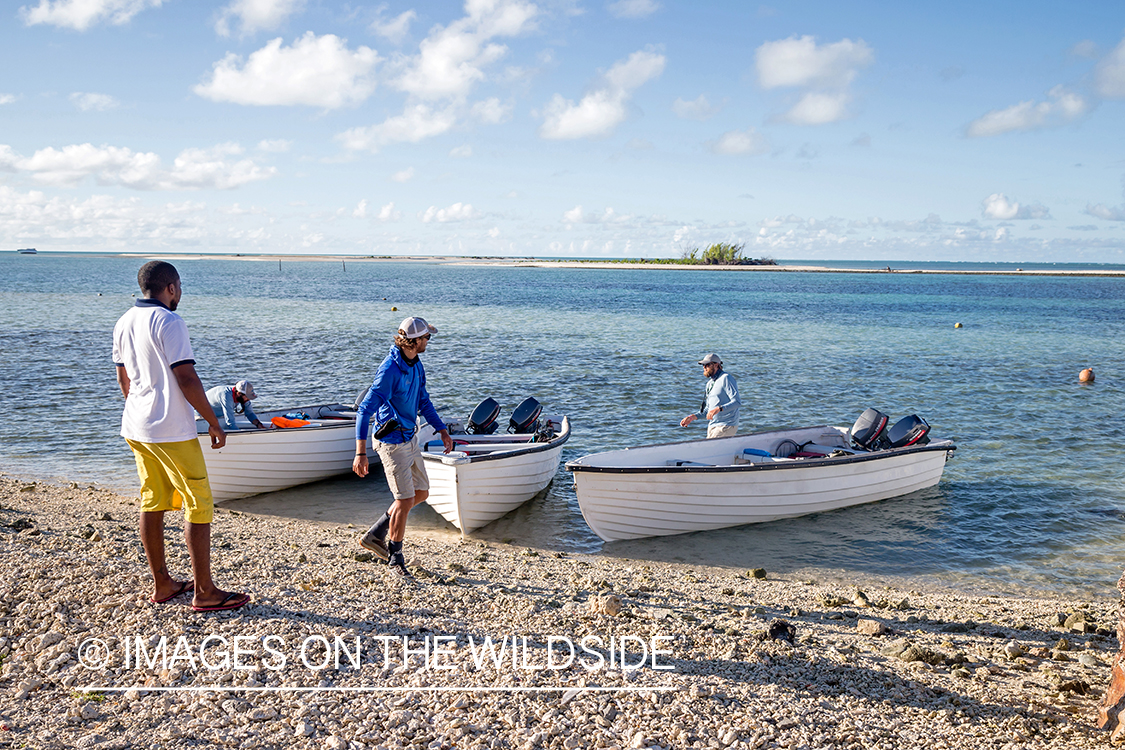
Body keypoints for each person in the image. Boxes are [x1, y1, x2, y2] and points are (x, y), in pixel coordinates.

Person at [112, 261, 250, 613]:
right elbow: (186, 377)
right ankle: (205, 591)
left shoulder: (124, 321)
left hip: (136, 426)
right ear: (171, 288)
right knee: (199, 502)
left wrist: (141, 408)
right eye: (180, 287)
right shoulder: (169, 321)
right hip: (171, 429)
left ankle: (163, 584)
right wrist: (212, 421)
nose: (180, 294)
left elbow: (123, 380)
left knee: (152, 499)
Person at [353, 316, 454, 580]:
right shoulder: (390, 370)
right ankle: (395, 559)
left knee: (421, 493)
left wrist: (442, 429)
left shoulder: (416, 365)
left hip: (410, 438)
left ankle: (376, 534)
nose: (428, 342)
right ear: (415, 341)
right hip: (391, 442)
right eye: (427, 338)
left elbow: (424, 401)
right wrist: (360, 453)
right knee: (404, 500)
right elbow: (365, 410)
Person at [679, 353, 741, 439]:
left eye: (707, 365)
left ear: (716, 365)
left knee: (709, 451)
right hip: (712, 426)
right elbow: (708, 411)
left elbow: (737, 402)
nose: (704, 367)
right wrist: (691, 417)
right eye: (703, 365)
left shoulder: (726, 378)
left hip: (726, 425)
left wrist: (719, 408)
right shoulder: (709, 384)